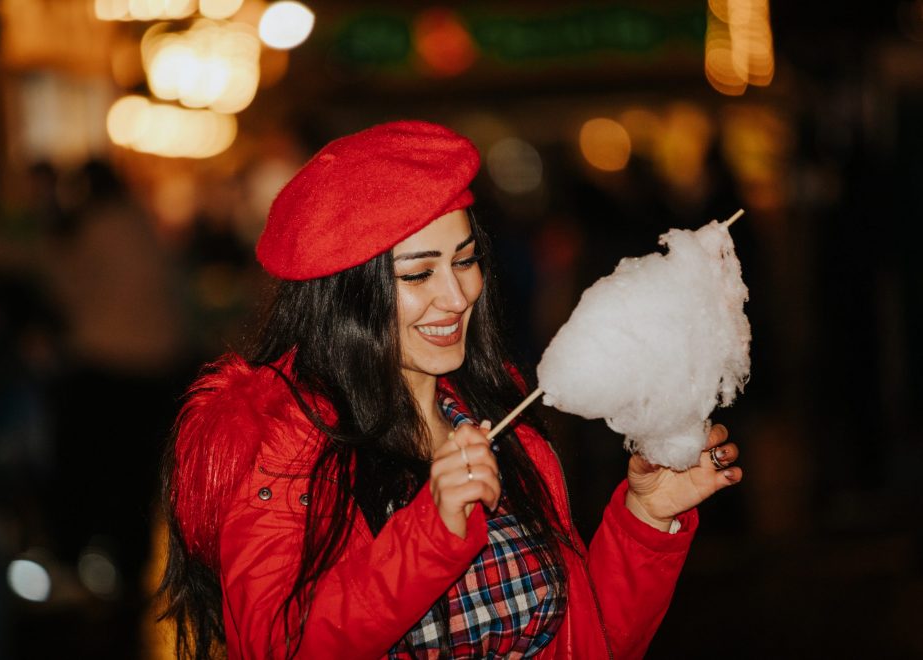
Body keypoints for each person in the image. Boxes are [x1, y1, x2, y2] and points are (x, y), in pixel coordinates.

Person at [158, 120, 743, 659]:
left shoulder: (498, 423)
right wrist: (431, 531)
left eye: (464, 261)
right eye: (417, 274)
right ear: (346, 295)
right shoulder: (282, 451)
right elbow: (281, 646)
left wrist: (646, 518)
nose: (458, 295)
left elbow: (580, 642)